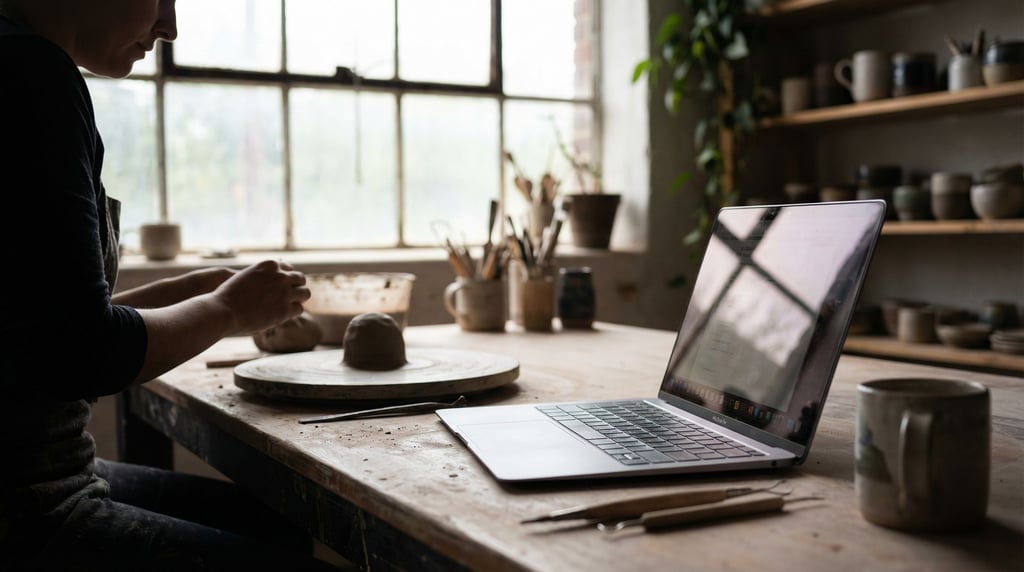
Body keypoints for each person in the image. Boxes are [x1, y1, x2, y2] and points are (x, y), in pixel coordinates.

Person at [0, 1, 338, 569]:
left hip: (43, 471)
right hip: (29, 503)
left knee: (271, 517)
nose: (170, 27)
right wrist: (226, 310)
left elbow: (39, 333)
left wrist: (197, 291)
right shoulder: (30, 72)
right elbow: (84, 356)